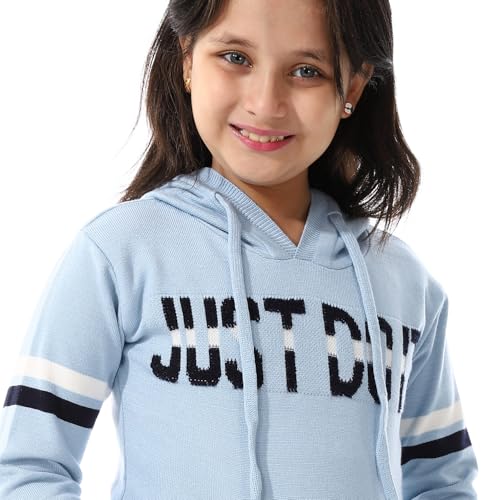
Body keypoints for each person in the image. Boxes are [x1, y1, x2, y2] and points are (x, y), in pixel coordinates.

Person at [0, 0, 479, 498]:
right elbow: (29, 468)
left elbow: (443, 482)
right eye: (235, 58)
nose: (265, 103)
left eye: (306, 70)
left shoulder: (404, 282)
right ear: (188, 58)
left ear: (353, 88)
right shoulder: (120, 253)